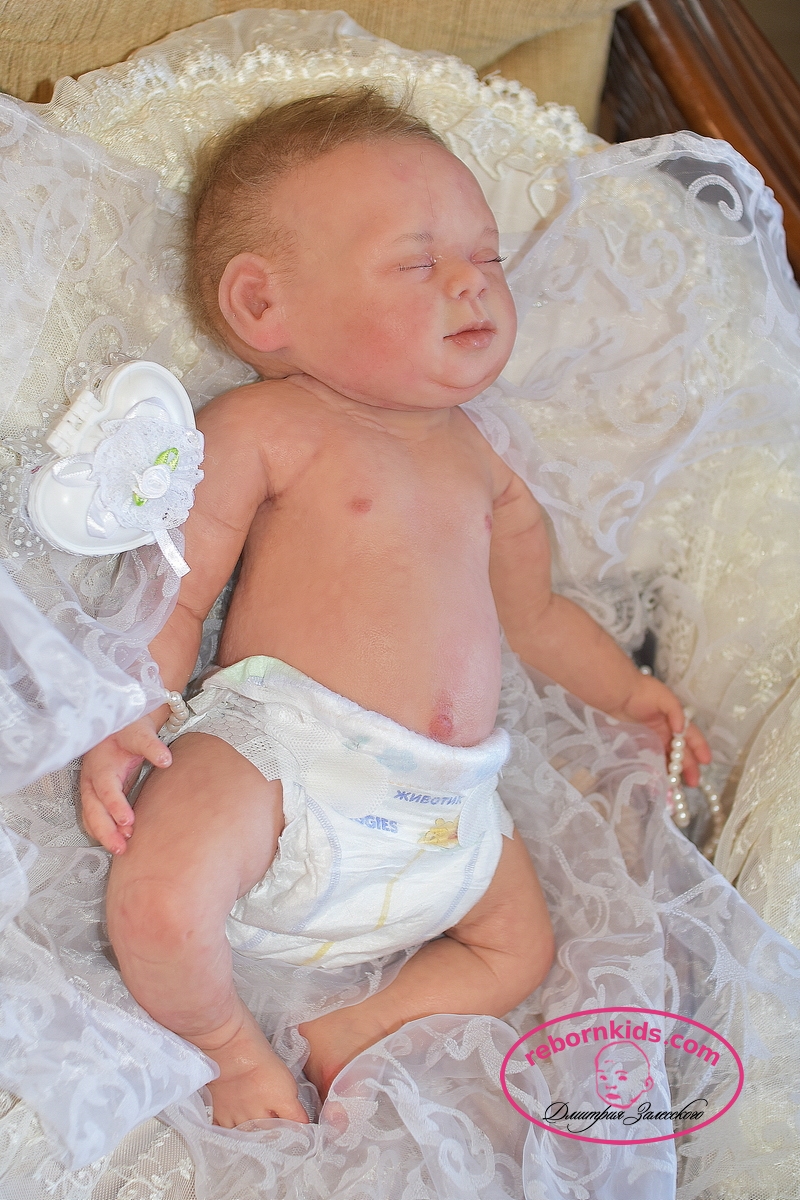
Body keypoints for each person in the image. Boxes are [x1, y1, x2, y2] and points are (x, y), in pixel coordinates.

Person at [79, 88, 711, 1130]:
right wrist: (128, 706)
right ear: (263, 306)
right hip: (286, 761)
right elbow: (177, 591)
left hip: (450, 803)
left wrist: (629, 690)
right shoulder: (266, 426)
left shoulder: (483, 463)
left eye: (487, 256)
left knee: (521, 949)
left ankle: (355, 1031)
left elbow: (537, 615)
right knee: (156, 901)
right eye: (418, 264)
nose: (471, 281)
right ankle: (229, 1050)